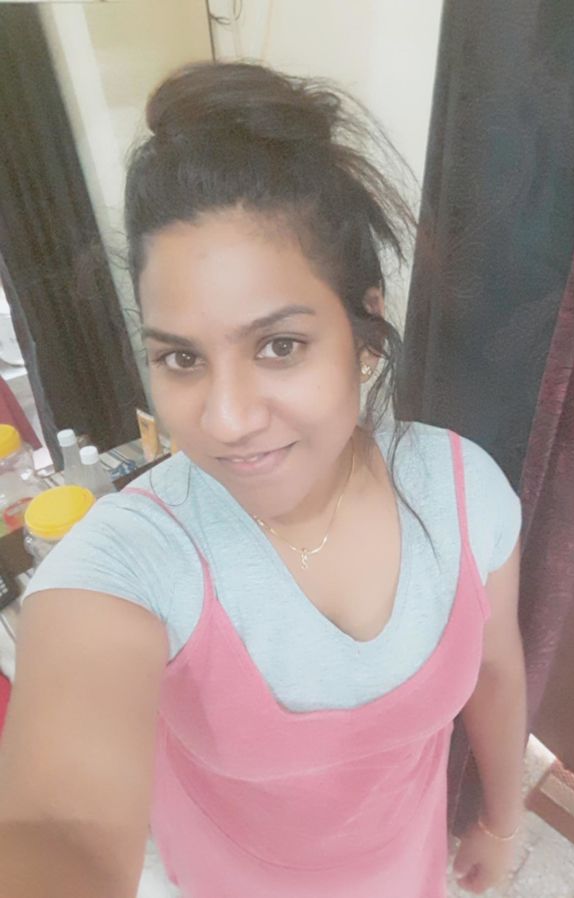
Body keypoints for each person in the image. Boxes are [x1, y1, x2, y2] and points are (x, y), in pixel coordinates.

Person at [0, 61, 526, 898]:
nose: (227, 418)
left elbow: (496, 671)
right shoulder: (132, 560)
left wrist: (501, 820)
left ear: (363, 330)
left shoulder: (465, 494)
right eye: (181, 358)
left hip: (405, 866)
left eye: (280, 345)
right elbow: (58, 828)